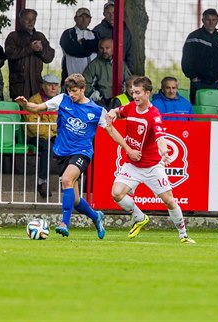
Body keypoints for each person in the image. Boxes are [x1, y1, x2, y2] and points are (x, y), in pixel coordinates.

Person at [15, 73, 139, 239]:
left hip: (82, 152)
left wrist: (128, 149)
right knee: (74, 200)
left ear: (83, 89)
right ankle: (96, 217)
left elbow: (111, 130)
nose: (71, 94)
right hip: (62, 153)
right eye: (69, 91)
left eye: (74, 91)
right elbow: (36, 108)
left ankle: (64, 223)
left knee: (67, 179)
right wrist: (25, 104)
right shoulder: (62, 100)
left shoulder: (96, 110)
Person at [106, 76, 196, 244]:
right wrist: (113, 112)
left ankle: (183, 234)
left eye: (138, 93)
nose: (135, 96)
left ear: (147, 93)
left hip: (152, 166)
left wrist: (164, 151)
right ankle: (140, 217)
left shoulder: (154, 115)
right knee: (116, 193)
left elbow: (160, 136)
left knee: (169, 200)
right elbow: (119, 111)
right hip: (133, 165)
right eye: (133, 92)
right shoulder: (132, 107)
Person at [182, 8, 218, 104]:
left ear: (217, 21)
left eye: (213, 20)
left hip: (216, 83)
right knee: (198, 111)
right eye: (208, 19)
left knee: (213, 110)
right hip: (198, 82)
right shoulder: (194, 37)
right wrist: (193, 77)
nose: (211, 22)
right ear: (203, 20)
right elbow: (186, 59)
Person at [5, 8, 55, 100]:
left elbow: (49, 57)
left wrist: (41, 50)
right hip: (19, 86)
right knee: (20, 113)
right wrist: (29, 48)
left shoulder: (40, 36)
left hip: (36, 85)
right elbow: (10, 54)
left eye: (33, 19)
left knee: (36, 113)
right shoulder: (13, 36)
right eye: (27, 19)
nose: (30, 22)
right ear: (20, 20)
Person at [24, 74, 60, 197]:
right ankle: (42, 182)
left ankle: (70, 180)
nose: (53, 88)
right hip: (36, 137)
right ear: (43, 86)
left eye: (56, 85)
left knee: (69, 146)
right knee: (47, 147)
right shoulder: (34, 101)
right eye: (50, 85)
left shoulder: (60, 101)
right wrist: (51, 132)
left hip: (54, 135)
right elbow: (34, 126)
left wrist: (53, 132)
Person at [83, 37, 131, 109]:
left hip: (119, 101)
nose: (104, 51)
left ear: (113, 48)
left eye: (107, 48)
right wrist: (94, 94)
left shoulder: (121, 64)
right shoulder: (93, 65)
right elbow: (84, 83)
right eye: (101, 48)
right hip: (100, 102)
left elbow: (129, 81)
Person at [59, 7, 98, 84]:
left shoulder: (95, 34)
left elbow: (99, 48)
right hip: (72, 79)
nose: (84, 20)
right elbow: (74, 50)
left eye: (86, 17)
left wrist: (83, 43)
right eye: (81, 17)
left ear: (90, 20)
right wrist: (91, 48)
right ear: (75, 18)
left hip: (92, 80)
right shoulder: (68, 33)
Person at [92, 0, 134, 71]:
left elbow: (130, 53)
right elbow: (93, 53)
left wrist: (130, 71)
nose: (111, 16)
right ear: (104, 14)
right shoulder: (97, 30)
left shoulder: (125, 31)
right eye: (108, 13)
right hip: (102, 71)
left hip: (121, 70)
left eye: (114, 12)